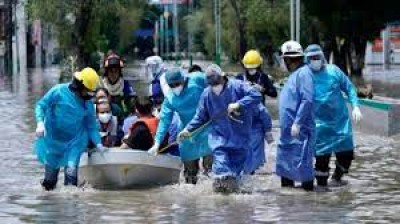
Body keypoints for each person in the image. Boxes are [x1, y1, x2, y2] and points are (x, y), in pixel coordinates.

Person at [179, 64, 262, 193]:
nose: (215, 86)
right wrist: (187, 130)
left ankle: (233, 206)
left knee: (237, 177)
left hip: (240, 139)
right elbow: (200, 117)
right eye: (211, 84)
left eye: (216, 82)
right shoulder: (206, 95)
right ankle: (220, 206)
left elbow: (257, 96)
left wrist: (239, 104)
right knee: (221, 175)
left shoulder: (238, 87)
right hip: (219, 140)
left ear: (223, 77)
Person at [35, 67, 107, 191]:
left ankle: (72, 206)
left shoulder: (88, 104)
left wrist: (98, 143)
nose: (89, 95)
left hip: (75, 142)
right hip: (54, 141)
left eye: (91, 92)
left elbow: (91, 126)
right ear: (79, 86)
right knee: (49, 184)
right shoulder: (58, 91)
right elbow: (41, 106)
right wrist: (40, 123)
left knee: (71, 182)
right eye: (87, 91)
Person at [304, 44, 363, 188]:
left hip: (340, 123)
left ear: (322, 57)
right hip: (319, 126)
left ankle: (337, 176)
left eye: (317, 57)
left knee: (347, 155)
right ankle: (323, 197)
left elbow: (349, 88)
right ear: (307, 59)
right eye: (312, 58)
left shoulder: (334, 71)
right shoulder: (304, 75)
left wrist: (355, 106)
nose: (315, 60)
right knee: (321, 164)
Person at [147, 68, 212, 184]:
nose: (175, 87)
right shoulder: (170, 99)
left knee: (210, 170)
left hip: (207, 128)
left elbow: (216, 82)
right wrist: (157, 142)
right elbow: (164, 121)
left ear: (183, 79)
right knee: (190, 176)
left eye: (177, 84)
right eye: (172, 85)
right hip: (186, 135)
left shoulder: (196, 79)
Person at [276, 40, 315, 191]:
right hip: (288, 135)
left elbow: (308, 100)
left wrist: (297, 123)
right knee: (286, 172)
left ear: (287, 59)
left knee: (303, 168)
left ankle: (309, 205)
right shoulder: (294, 75)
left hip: (299, 132)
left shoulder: (304, 74)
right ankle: (289, 210)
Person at [100, 52, 136, 117]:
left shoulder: (126, 85)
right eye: (111, 71)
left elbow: (131, 106)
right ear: (106, 72)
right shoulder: (101, 84)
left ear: (120, 72)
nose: (113, 74)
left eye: (116, 71)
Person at [243, 104, 274, 175]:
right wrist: (267, 130)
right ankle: (250, 171)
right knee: (254, 152)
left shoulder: (236, 101)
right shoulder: (256, 103)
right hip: (255, 132)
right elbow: (265, 115)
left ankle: (246, 172)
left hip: (244, 131)